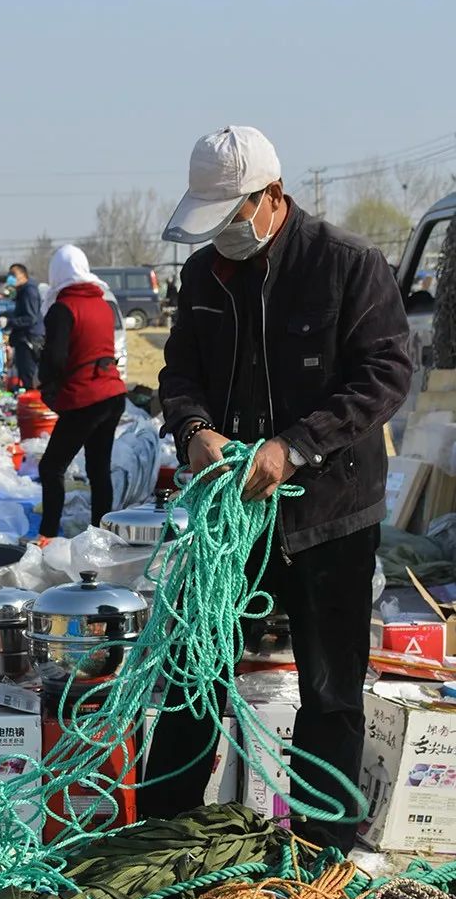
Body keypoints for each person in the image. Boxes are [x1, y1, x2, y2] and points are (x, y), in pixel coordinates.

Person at [139, 125, 413, 851]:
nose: (225, 235)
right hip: (233, 522)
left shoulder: (347, 265)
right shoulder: (205, 277)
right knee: (193, 676)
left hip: (330, 517)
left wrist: (294, 447)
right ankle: (158, 838)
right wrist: (194, 429)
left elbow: (386, 374)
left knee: (330, 692)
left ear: (273, 197)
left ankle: (319, 853)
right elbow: (179, 373)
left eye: (234, 217)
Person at [35, 246, 127, 536]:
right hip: (113, 393)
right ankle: (102, 533)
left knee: (51, 467)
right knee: (98, 469)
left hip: (86, 397)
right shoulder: (102, 303)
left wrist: (48, 384)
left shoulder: (63, 308)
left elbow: (55, 358)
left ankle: (48, 534)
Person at [3, 263, 44, 389]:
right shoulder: (21, 292)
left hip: (29, 340)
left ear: (23, 275)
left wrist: (9, 322)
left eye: (13, 274)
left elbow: (30, 318)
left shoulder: (29, 291)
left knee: (29, 377)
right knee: (24, 375)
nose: (10, 278)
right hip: (23, 339)